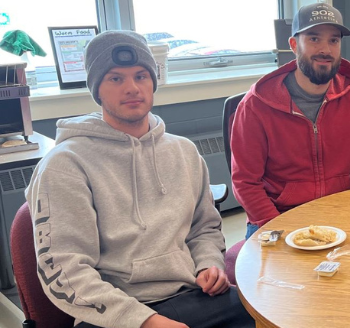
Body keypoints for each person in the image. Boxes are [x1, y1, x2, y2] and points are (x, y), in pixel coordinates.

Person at [25, 30, 253, 328]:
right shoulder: (64, 165)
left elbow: (204, 227)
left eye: (141, 76)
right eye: (116, 79)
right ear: (97, 90)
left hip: (193, 294)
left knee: (276, 313)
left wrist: (208, 264)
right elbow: (64, 269)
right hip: (115, 312)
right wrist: (146, 321)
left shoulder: (184, 151)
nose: (132, 88)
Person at [230, 2, 350, 238]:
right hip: (277, 215)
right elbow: (246, 182)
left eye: (333, 40)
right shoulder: (256, 105)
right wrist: (279, 229)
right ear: (294, 45)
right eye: (314, 39)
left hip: (337, 208)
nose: (325, 49)